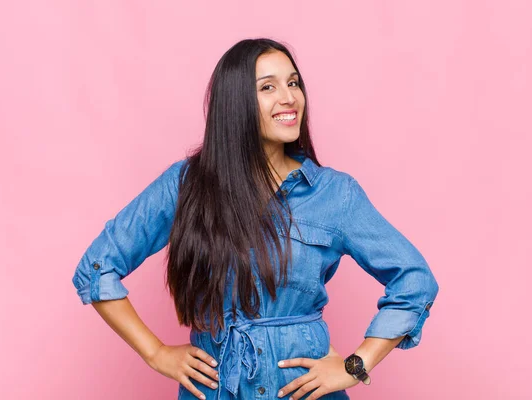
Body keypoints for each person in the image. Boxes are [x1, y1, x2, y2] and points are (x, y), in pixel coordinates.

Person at [72, 38, 439, 400]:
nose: (289, 97)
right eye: (268, 87)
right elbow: (98, 266)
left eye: (293, 83)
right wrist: (155, 352)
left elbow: (414, 280)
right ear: (235, 103)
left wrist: (356, 364)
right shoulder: (186, 184)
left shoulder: (334, 193)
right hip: (215, 391)